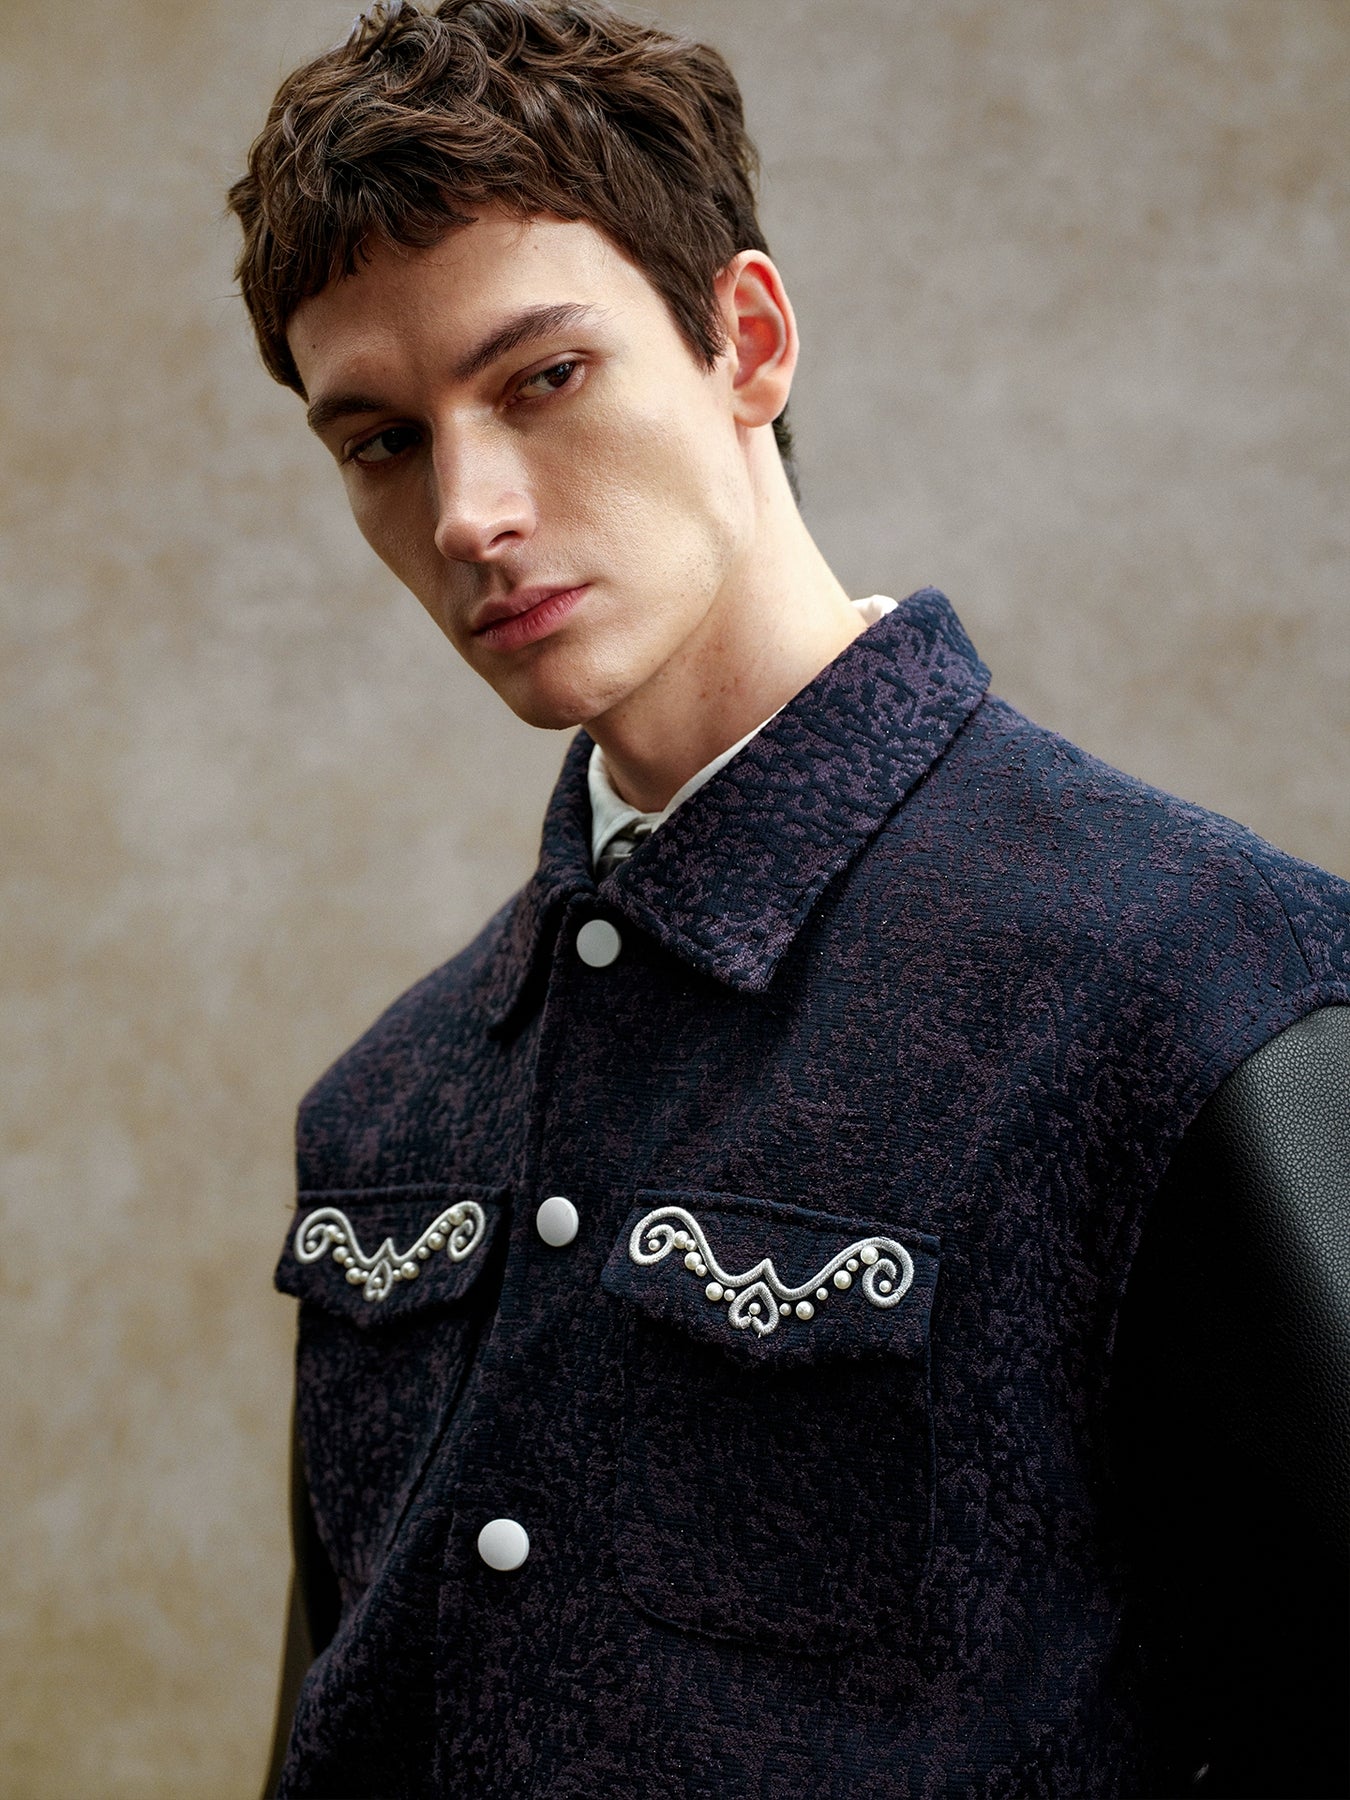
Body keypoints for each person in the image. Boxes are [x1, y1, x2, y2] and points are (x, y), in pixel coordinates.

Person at [228, 4, 1350, 1796]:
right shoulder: (384, 1113)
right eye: (380, 440)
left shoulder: (1203, 990)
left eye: (541, 377)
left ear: (744, 341)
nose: (466, 513)